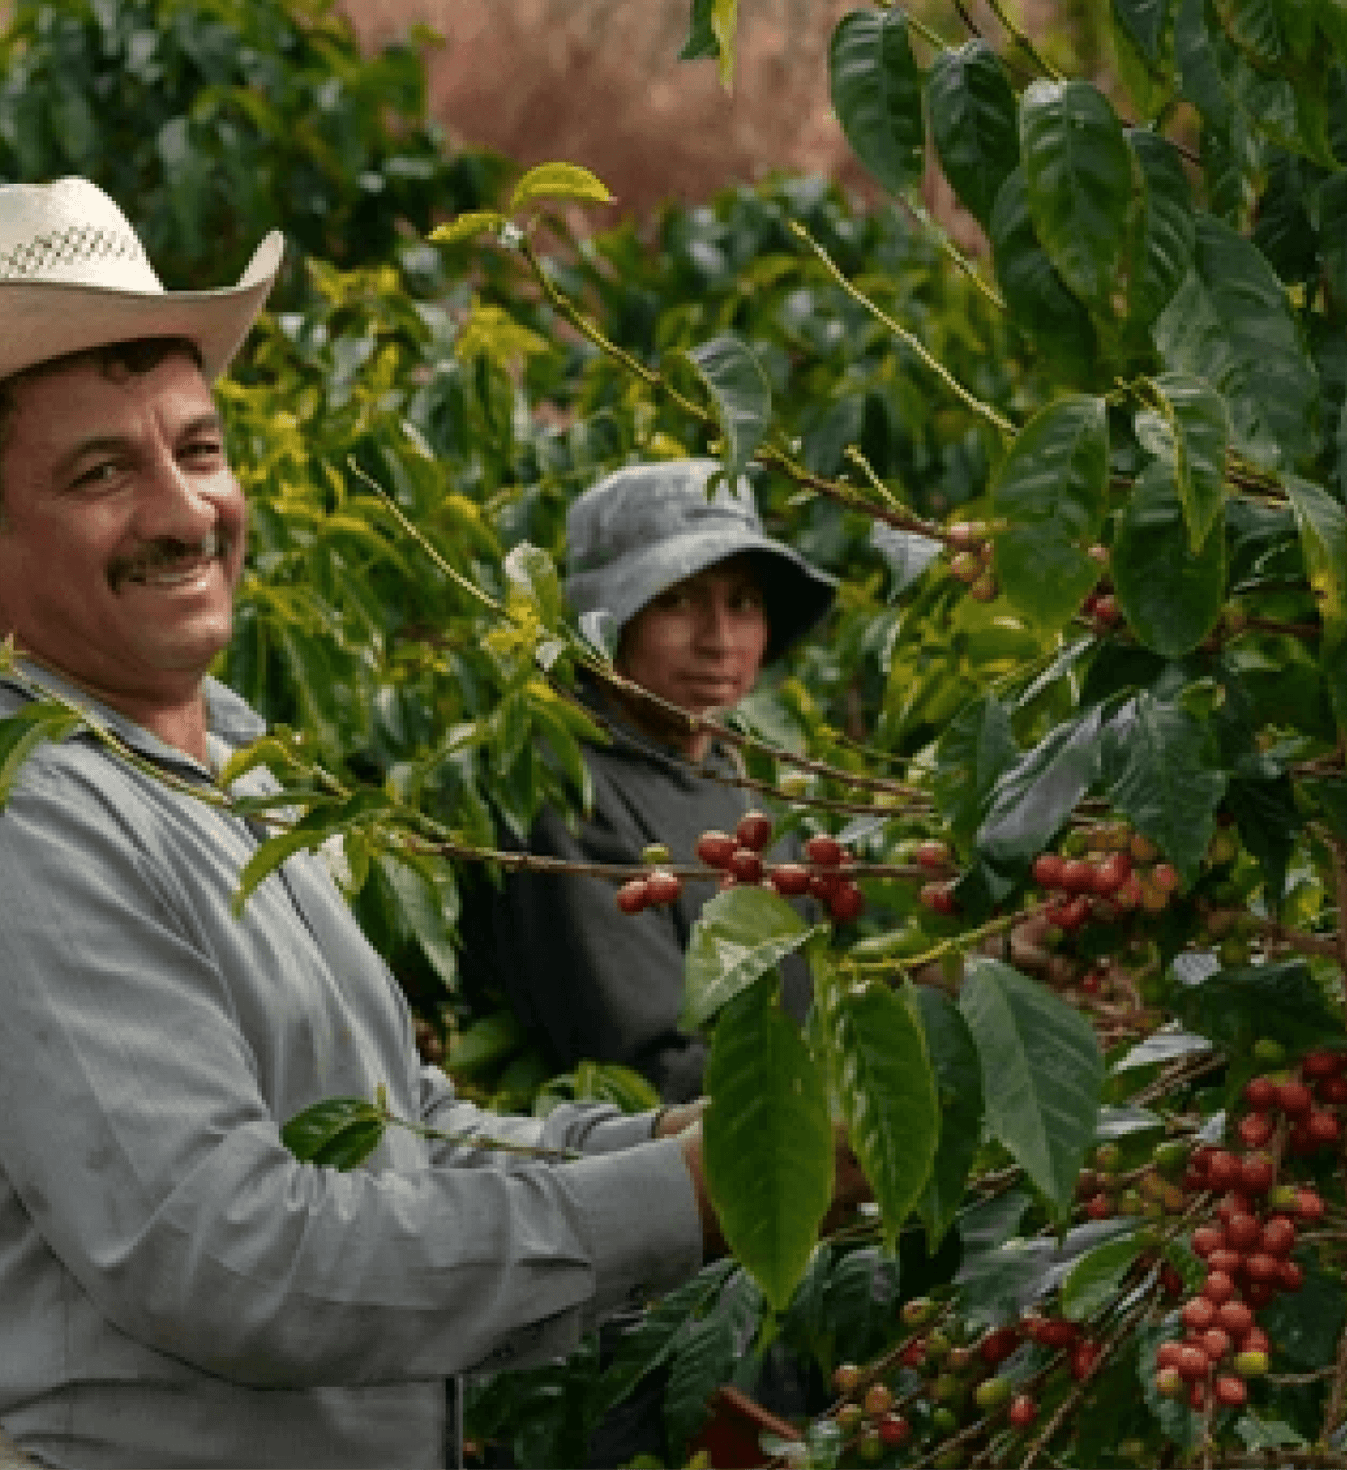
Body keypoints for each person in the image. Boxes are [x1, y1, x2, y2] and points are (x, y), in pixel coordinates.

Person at [0, 178, 863, 1470]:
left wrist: (673, 1143)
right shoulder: (35, 818)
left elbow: (397, 1127)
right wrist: (680, 1197)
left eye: (198, 447)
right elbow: (235, 1258)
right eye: (99, 471)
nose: (183, 512)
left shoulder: (227, 761)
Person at [458, 460, 836, 1103]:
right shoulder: (570, 796)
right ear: (606, 626)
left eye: (742, 602)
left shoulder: (742, 767)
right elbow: (653, 1066)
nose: (719, 642)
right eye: (674, 600)